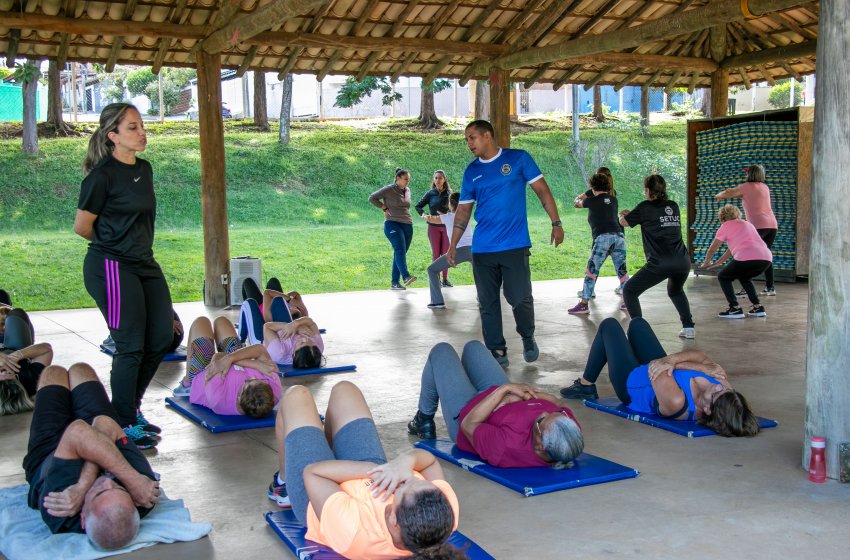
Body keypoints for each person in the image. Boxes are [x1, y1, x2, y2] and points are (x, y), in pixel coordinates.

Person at [267, 380, 460, 559]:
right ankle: (320, 443)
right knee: (345, 389)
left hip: (318, 490)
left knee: (296, 395)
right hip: (372, 473)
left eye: (404, 486)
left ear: (393, 519)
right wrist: (405, 461)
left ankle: (283, 484)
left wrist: (372, 468)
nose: (410, 478)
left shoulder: (352, 531)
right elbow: (429, 462)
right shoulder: (443, 512)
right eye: (419, 480)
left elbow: (313, 472)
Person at [73, 102, 173, 449]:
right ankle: (124, 420)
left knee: (162, 336)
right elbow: (82, 227)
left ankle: (130, 407)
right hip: (111, 267)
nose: (141, 132)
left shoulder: (144, 169)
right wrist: (115, 248)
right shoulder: (101, 176)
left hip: (144, 263)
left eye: (142, 125)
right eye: (132, 127)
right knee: (131, 345)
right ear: (112, 135)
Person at [447, 120, 564, 367]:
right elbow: (463, 212)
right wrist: (453, 245)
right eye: (466, 139)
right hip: (483, 249)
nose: (468, 143)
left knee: (520, 298)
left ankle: (528, 336)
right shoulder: (471, 172)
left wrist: (556, 223)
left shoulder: (519, 159)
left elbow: (543, 191)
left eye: (472, 138)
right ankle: (498, 350)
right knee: (487, 303)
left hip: (514, 245)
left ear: (487, 135)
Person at [22, 363, 161, 549]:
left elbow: (77, 432)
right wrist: (132, 479)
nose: (108, 482)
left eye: (101, 492)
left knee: (54, 373)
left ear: (83, 517)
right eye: (120, 489)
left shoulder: (60, 508)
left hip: (49, 449)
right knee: (81, 370)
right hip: (95, 432)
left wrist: (82, 487)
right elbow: (104, 422)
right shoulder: (142, 492)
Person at [559, 317, 760, 437]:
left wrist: (678, 363)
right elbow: (701, 356)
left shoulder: (677, 403)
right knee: (638, 324)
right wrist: (687, 363)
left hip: (632, 383)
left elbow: (657, 367)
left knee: (610, 326)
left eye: (717, 393)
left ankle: (586, 384)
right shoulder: (724, 391)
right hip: (661, 370)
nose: (720, 386)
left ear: (707, 409)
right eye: (725, 389)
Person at [407, 341, 584, 469]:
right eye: (555, 414)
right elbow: (557, 403)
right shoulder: (567, 429)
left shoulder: (506, 448)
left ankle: (424, 419)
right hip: (505, 396)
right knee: (473, 347)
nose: (545, 411)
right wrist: (525, 395)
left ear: (541, 446)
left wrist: (504, 390)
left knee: (441, 351)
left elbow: (469, 424)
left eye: (541, 420)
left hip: (467, 410)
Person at [619, 175, 696, 339]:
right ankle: (688, 327)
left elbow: (624, 222)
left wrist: (623, 216)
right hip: (683, 261)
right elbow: (651, 217)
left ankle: (638, 331)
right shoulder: (673, 206)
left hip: (660, 262)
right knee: (675, 291)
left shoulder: (645, 207)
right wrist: (632, 214)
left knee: (630, 290)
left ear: (647, 190)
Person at [172, 316, 281, 418]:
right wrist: (253, 363)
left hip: (202, 373)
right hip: (231, 363)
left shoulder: (219, 400)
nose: (253, 377)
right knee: (222, 321)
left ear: (238, 397)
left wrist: (247, 362)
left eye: (248, 382)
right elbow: (260, 349)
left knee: (201, 322)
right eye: (259, 380)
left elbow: (218, 358)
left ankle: (187, 384)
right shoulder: (273, 392)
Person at [568, 172, 629, 314]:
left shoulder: (591, 200)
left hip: (603, 238)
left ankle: (584, 304)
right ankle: (628, 301)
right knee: (622, 271)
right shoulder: (613, 200)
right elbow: (603, 200)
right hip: (619, 237)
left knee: (592, 271)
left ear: (592, 186)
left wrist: (582, 195)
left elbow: (577, 204)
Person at [715, 164, 778, 296]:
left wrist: (719, 195)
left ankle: (745, 285)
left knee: (748, 254)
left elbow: (728, 193)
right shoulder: (764, 187)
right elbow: (744, 196)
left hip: (757, 225)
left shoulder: (746, 187)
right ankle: (770, 287)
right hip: (771, 225)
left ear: (749, 174)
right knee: (765, 254)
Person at [698, 205, 772, 319]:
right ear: (738, 214)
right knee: (744, 277)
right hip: (766, 258)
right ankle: (758, 307)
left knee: (723, 277)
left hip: (746, 257)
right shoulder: (748, 224)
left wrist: (706, 261)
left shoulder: (725, 226)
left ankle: (735, 308)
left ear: (722, 217)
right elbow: (731, 250)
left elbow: (713, 247)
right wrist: (718, 262)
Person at [369, 168, 417, 290]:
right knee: (399, 248)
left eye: (409, 179)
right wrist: (384, 207)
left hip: (407, 224)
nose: (408, 181)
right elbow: (372, 198)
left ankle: (394, 283)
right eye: (406, 179)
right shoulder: (389, 189)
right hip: (392, 223)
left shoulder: (407, 190)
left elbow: (406, 206)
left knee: (400, 253)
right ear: (398, 178)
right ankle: (406, 276)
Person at [423, 193, 473, 309]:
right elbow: (453, 216)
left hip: (458, 251)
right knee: (479, 274)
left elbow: (432, 219)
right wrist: (445, 215)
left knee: (432, 270)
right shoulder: (467, 215)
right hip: (473, 250)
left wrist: (425, 215)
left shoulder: (448, 217)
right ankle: (483, 299)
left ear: (450, 204)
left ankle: (437, 302)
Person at [415, 170, 453, 288]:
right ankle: (436, 279)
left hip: (446, 227)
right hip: (433, 228)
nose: (437, 180)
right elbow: (418, 206)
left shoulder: (449, 194)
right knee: (436, 254)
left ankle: (445, 280)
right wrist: (424, 215)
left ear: (444, 180)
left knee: (446, 254)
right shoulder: (430, 193)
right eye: (436, 178)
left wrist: (448, 214)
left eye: (440, 178)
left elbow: (455, 209)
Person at [0, 339, 53, 416]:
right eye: (9, 375)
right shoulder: (30, 381)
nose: (4, 372)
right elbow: (46, 349)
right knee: (18, 328)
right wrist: (17, 355)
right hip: (13, 346)